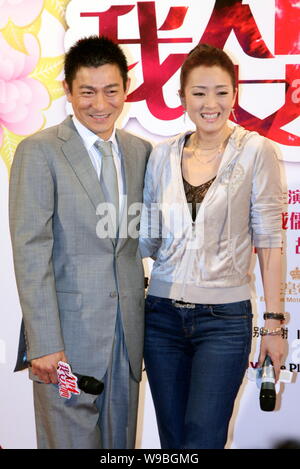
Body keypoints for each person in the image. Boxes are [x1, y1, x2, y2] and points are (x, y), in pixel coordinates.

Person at [9, 35, 152, 449]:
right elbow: (30, 250)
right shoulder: (39, 151)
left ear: (126, 88)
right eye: (87, 92)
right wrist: (45, 343)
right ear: (68, 91)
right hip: (66, 343)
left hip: (126, 340)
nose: (100, 104)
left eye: (111, 90)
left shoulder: (140, 151)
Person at [139, 43, 284, 449]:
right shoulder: (161, 156)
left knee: (203, 438)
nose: (210, 104)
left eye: (221, 92)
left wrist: (273, 322)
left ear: (235, 95)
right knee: (173, 442)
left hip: (224, 322)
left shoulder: (256, 152)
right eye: (199, 92)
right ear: (181, 96)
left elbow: (270, 242)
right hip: (162, 318)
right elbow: (147, 238)